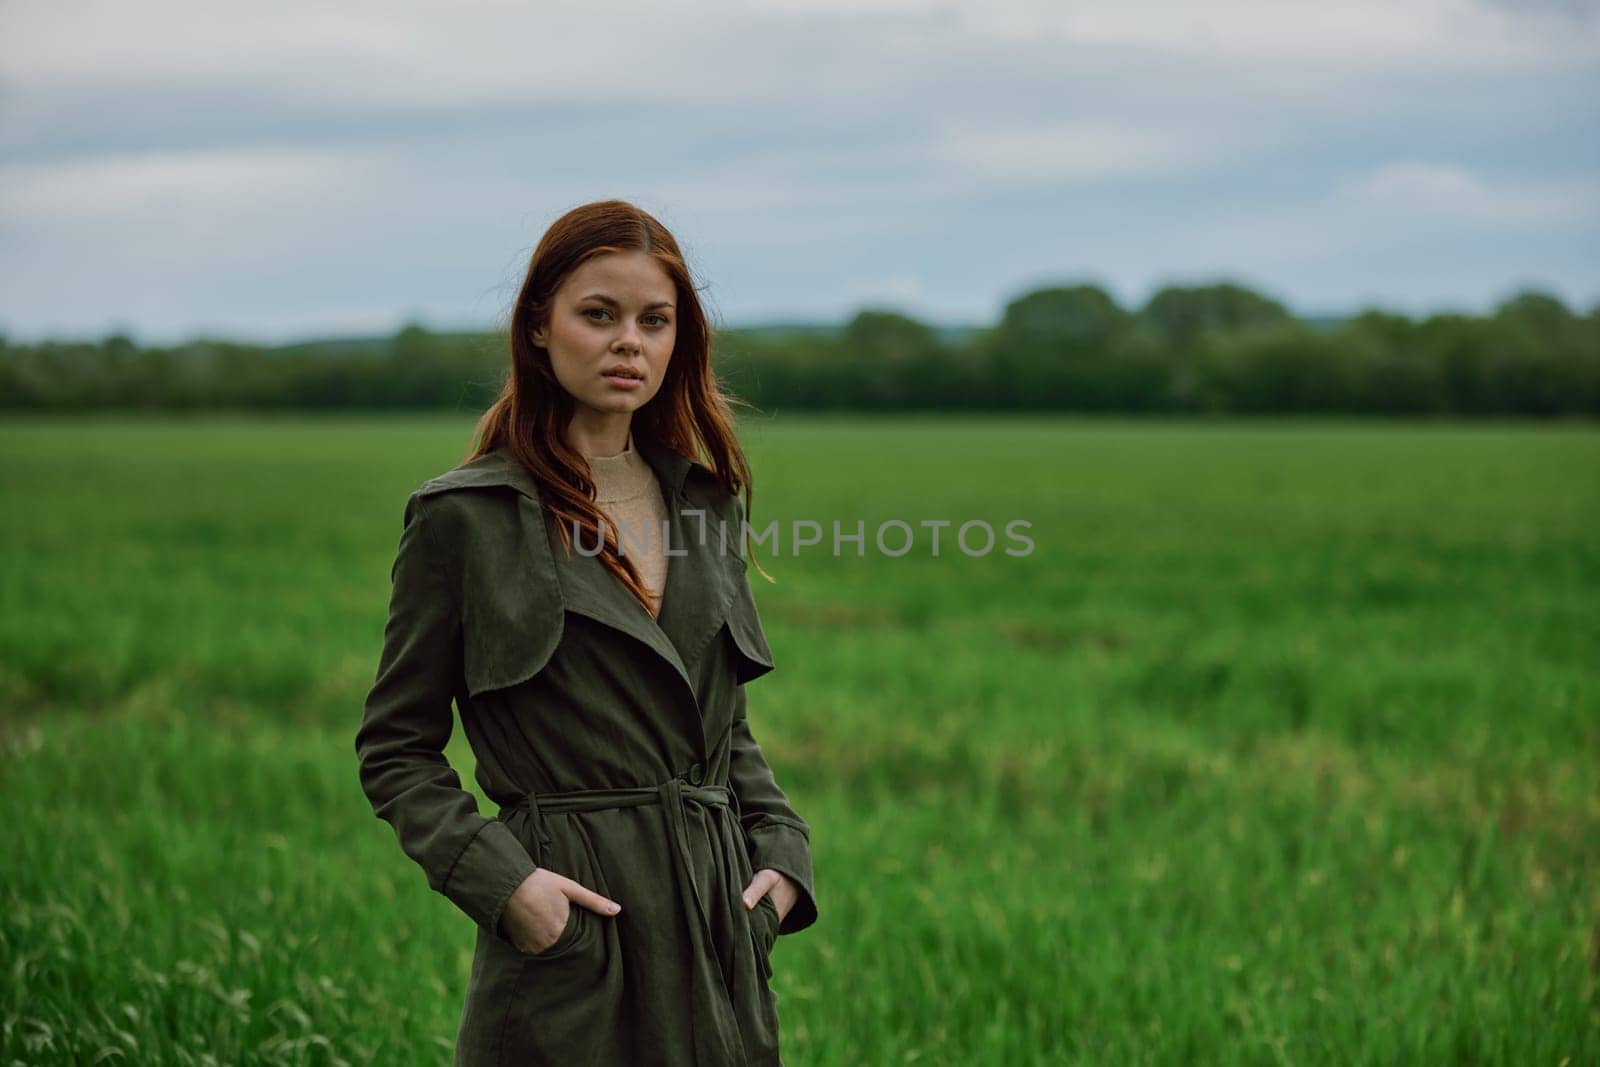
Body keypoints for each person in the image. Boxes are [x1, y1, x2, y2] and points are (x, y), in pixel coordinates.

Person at [354, 200, 817, 1066]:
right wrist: (510, 887)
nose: (628, 342)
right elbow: (396, 748)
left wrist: (782, 860)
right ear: (539, 325)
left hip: (717, 934)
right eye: (597, 314)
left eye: (654, 320)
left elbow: (720, 729)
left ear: (681, 337)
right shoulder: (468, 519)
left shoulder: (704, 506)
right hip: (575, 941)